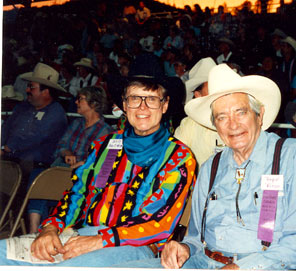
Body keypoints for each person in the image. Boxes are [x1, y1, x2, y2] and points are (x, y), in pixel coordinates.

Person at [117, 64, 296, 270]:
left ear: (259, 115)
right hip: (203, 262)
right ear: (215, 126)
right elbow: (196, 236)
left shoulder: (291, 154)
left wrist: (241, 267)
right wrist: (184, 248)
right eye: (222, 117)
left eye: (240, 112)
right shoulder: (211, 167)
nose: (232, 125)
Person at [0, 78, 197, 267]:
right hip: (82, 235)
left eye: (152, 99)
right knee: (2, 253)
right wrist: (51, 227)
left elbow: (159, 223)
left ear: (164, 105)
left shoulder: (178, 157)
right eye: (135, 98)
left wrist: (101, 240)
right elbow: (77, 194)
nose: (142, 107)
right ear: (125, 105)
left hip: (134, 246)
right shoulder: (105, 145)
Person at [27, 86, 114, 234]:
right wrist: (67, 152)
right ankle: (34, 230)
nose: (76, 102)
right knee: (39, 176)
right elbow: (61, 145)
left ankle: (39, 230)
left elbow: (102, 160)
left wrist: (83, 162)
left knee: (43, 181)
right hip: (60, 170)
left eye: (80, 99)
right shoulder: (76, 124)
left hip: (79, 176)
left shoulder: (105, 131)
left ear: (93, 104)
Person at [1, 63, 68, 177]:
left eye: (31, 87)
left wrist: (6, 148)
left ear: (45, 92)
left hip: (35, 165)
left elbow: (36, 137)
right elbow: (6, 128)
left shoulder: (56, 113)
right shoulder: (23, 107)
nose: (27, 89)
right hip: (11, 158)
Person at [174, 57, 222, 167]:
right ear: (198, 95)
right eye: (212, 86)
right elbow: (174, 161)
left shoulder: (234, 120)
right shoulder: (188, 125)